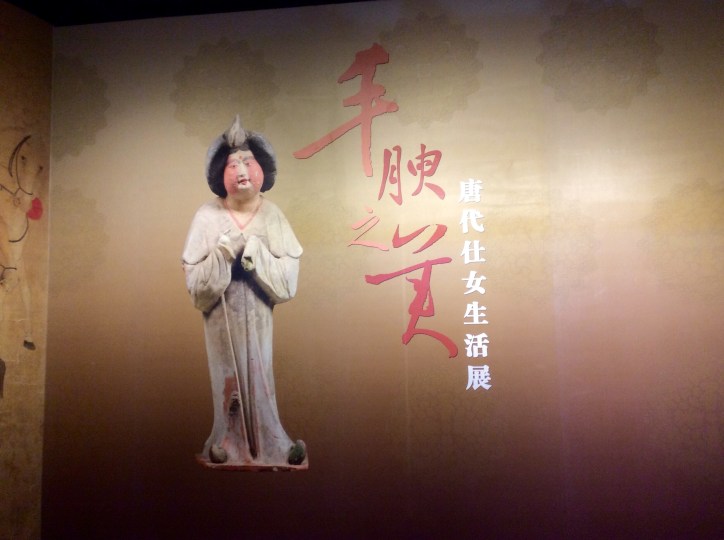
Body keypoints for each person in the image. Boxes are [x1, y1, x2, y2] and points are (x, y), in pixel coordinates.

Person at [182, 116, 306, 469]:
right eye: (232, 164)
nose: (240, 170)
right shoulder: (207, 216)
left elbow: (288, 281)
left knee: (259, 376)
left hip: (259, 314)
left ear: (262, 168)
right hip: (221, 318)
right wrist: (222, 255)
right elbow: (195, 286)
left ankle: (275, 444)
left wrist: (257, 255)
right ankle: (225, 441)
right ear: (219, 173)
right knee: (227, 378)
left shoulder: (272, 216)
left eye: (247, 161)